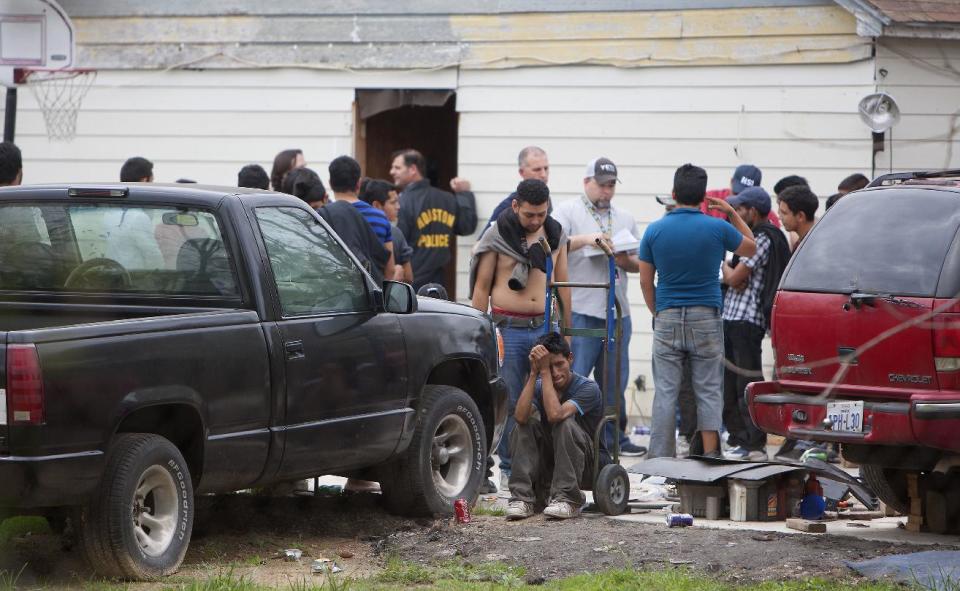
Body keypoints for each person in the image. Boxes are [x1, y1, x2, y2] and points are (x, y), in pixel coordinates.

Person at [638, 164, 756, 459]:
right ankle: (710, 455)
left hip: (667, 314)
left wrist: (658, 312)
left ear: (674, 193)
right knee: (708, 389)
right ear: (704, 197)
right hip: (706, 315)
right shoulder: (717, 227)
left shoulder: (654, 230)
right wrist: (731, 211)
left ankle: (661, 461)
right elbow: (752, 248)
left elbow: (644, 280)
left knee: (666, 390)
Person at [471, 179, 570, 491]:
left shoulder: (554, 234)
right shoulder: (496, 235)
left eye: (541, 214)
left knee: (549, 397)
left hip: (544, 326)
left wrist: (565, 333)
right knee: (512, 401)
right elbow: (481, 287)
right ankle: (511, 470)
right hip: (508, 329)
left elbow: (563, 285)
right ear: (515, 206)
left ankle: (542, 469)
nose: (536, 220)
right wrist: (477, 331)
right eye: (529, 215)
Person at [551, 157, 646, 457]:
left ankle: (614, 437)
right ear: (586, 182)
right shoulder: (567, 211)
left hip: (616, 311)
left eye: (612, 185)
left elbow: (636, 262)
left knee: (614, 378)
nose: (607, 191)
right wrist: (585, 240)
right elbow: (553, 247)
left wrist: (620, 256)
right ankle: (575, 435)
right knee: (575, 374)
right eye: (602, 185)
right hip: (581, 307)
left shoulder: (624, 217)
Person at [720, 187, 791, 461]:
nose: (737, 214)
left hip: (747, 320)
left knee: (745, 380)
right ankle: (739, 437)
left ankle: (754, 441)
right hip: (732, 316)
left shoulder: (762, 238)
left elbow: (734, 277)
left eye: (741, 209)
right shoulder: (749, 238)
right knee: (730, 381)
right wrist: (732, 270)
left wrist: (726, 268)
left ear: (754, 210)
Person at [504, 332, 603, 521]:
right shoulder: (541, 382)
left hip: (587, 464)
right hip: (553, 463)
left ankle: (569, 499)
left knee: (564, 423)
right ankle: (522, 499)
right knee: (523, 426)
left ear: (570, 359)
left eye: (559, 364)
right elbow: (520, 417)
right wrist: (534, 373)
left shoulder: (588, 388)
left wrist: (544, 372)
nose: (555, 372)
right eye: (549, 367)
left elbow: (556, 414)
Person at [392, 149, 478, 292]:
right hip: (439, 281)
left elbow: (397, 243)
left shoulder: (402, 201)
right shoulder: (448, 198)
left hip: (410, 281)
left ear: (413, 169)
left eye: (397, 167)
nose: (392, 171)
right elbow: (466, 227)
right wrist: (465, 194)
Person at [329, 156, 395, 280]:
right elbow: (390, 269)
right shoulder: (379, 217)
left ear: (330, 183)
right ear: (359, 183)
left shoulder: (323, 216)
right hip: (372, 291)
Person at [480, 146, 551, 237]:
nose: (543, 175)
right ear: (522, 172)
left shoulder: (546, 198)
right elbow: (480, 246)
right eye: (537, 169)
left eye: (546, 168)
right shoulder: (507, 207)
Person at [360, 179, 413, 283]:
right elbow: (408, 277)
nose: (398, 207)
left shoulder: (356, 228)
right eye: (393, 202)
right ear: (376, 206)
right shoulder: (396, 233)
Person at [700, 164, 782, 228]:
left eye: (745, 199)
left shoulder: (765, 214)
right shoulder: (709, 199)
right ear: (731, 182)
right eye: (736, 193)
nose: (738, 201)